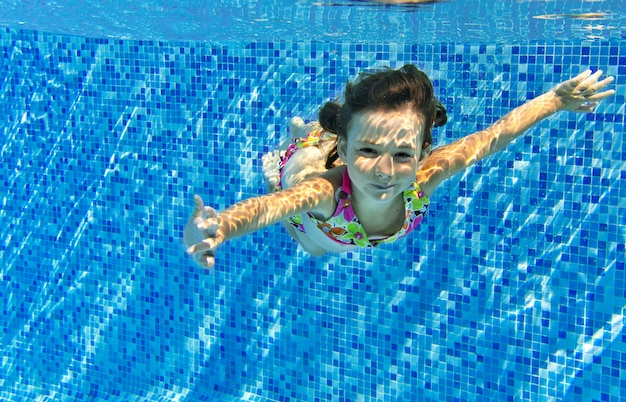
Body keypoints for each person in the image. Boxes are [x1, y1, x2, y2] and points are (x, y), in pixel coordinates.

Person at [184, 65, 614, 269]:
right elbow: (269, 207)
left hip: (339, 179)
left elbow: (492, 137)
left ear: (424, 152)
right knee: (308, 232)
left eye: (404, 154)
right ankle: (300, 143)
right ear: (348, 145)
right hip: (311, 194)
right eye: (369, 151)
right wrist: (218, 227)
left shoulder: (426, 176)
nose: (386, 172)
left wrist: (556, 100)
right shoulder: (324, 195)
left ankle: (310, 135)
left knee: (321, 240)